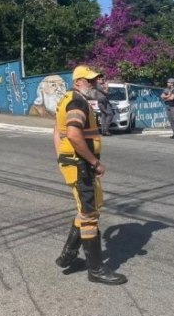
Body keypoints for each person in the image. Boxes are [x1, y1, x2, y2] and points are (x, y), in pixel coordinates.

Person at [53, 65, 127, 285]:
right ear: (78, 82)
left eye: (95, 80)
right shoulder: (78, 102)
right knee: (90, 215)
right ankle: (95, 269)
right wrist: (94, 161)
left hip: (74, 163)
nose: (94, 84)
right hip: (81, 165)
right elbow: (74, 134)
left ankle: (68, 255)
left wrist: (61, 156)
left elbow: (57, 131)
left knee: (86, 209)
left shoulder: (68, 98)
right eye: (89, 81)